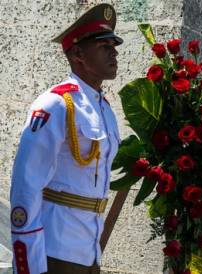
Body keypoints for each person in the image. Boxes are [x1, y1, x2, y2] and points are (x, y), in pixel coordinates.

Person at [9, 4, 122, 274]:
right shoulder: (56, 104)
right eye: (103, 45)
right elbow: (26, 186)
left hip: (89, 250)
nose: (114, 52)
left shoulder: (104, 108)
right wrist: (29, 265)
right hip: (54, 250)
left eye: (113, 45)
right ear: (77, 54)